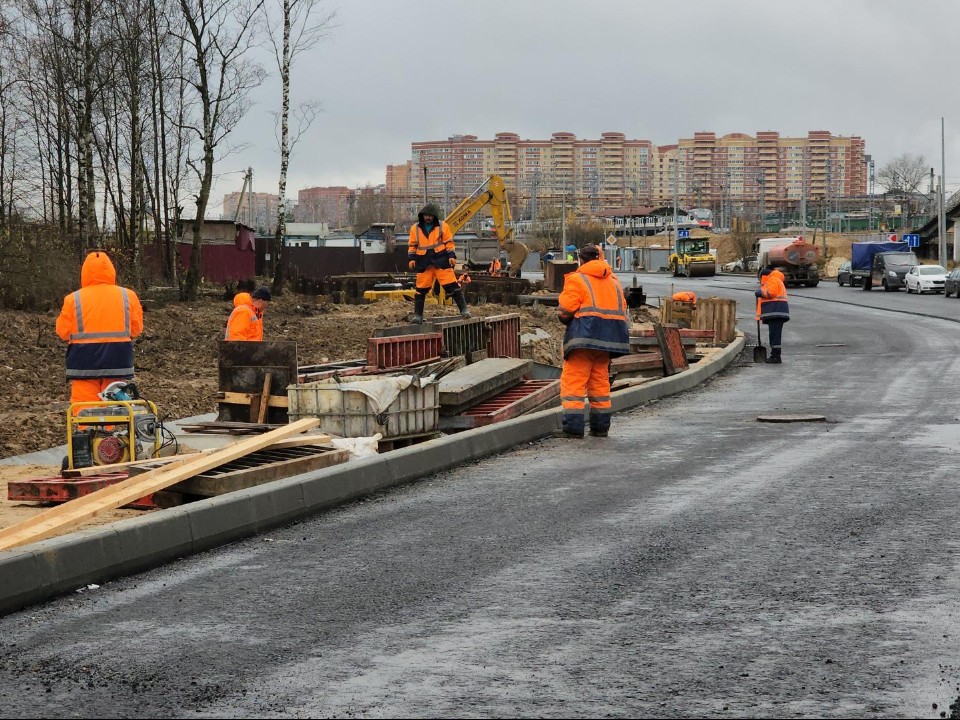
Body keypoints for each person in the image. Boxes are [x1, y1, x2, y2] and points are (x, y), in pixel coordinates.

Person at [557, 243, 631, 438]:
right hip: (609, 341)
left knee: (573, 384)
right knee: (600, 384)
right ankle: (600, 428)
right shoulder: (614, 281)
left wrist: (563, 318)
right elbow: (622, 308)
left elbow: (566, 309)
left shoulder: (577, 279)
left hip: (583, 339)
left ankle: (573, 428)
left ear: (580, 260)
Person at [56, 250, 144, 405]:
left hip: (83, 361)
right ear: (111, 271)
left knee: (84, 403)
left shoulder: (73, 299)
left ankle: (86, 429)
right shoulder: (128, 295)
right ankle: (109, 429)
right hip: (118, 359)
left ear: (85, 273)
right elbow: (136, 329)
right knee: (113, 401)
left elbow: (63, 332)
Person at [408, 203, 470, 323]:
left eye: (430, 216)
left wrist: (452, 256)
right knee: (420, 289)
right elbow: (412, 245)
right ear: (422, 216)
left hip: (441, 260)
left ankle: (464, 310)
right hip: (424, 263)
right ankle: (418, 316)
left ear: (434, 216)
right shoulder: (415, 228)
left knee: (452, 285)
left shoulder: (443, 226)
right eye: (426, 216)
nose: (428, 218)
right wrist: (411, 258)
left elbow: (449, 242)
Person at [756, 266, 789, 364]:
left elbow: (771, 293)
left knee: (775, 335)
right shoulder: (775, 279)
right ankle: (775, 355)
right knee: (774, 334)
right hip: (777, 312)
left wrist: (760, 292)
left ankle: (776, 356)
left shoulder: (773, 279)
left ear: (763, 276)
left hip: (776, 311)